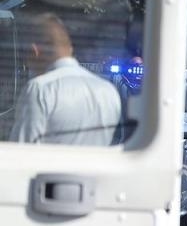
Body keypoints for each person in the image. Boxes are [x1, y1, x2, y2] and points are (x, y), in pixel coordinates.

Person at [9, 11, 122, 145]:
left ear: (35, 51)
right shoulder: (108, 91)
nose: (26, 62)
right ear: (70, 48)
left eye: (25, 54)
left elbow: (22, 154)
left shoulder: (39, 89)